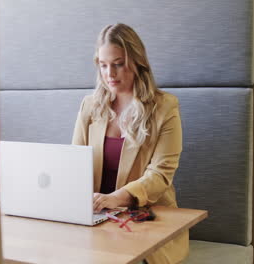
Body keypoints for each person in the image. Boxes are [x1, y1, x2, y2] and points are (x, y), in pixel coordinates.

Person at [72, 23, 187, 264]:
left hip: (144, 221)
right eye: (103, 65)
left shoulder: (165, 108)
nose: (109, 74)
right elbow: (73, 163)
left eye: (118, 64)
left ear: (137, 62)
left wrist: (116, 198)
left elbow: (160, 175)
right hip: (96, 220)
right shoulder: (90, 106)